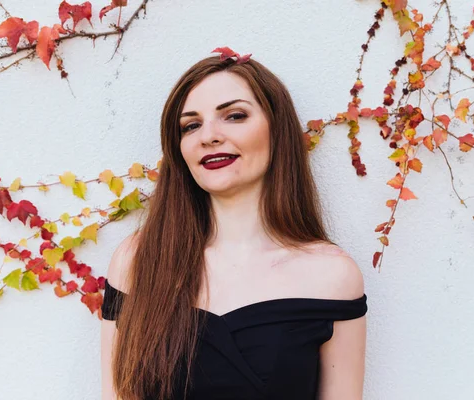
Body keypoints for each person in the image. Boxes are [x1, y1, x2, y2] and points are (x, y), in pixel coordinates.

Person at [100, 53, 368, 400]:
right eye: (191, 125)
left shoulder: (333, 276)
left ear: (277, 128)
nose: (208, 136)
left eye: (234, 116)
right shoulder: (138, 260)